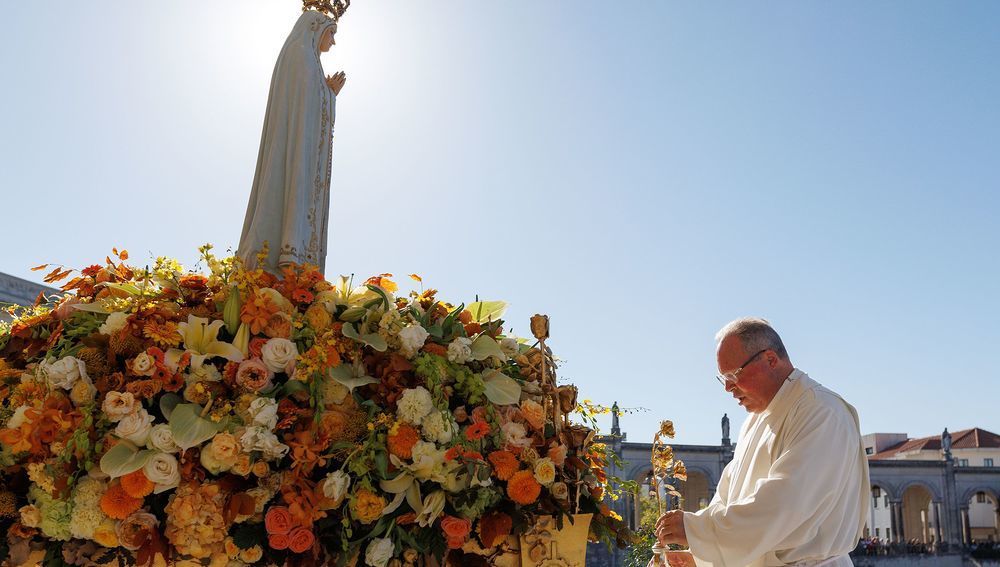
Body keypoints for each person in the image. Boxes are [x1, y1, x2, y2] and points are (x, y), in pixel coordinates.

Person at [652, 317, 870, 567]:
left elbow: (785, 503)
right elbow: (728, 500)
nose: (727, 388)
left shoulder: (821, 411)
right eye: (722, 378)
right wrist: (699, 556)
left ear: (770, 359)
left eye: (733, 374)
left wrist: (694, 529)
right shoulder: (754, 423)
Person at [237, 9, 347, 274]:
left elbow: (310, 105)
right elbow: (304, 105)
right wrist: (328, 94)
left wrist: (329, 95)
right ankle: (284, 258)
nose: (333, 41)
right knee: (285, 192)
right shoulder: (301, 56)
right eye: (332, 33)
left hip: (303, 149)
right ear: (316, 28)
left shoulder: (309, 61)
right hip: (293, 149)